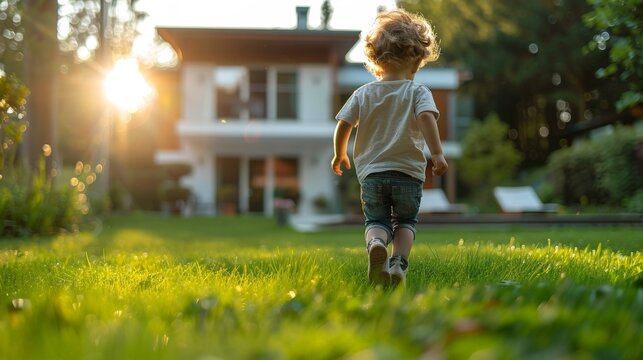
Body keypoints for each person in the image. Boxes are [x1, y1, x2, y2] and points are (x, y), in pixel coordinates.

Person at [331, 8, 448, 286]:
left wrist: (339, 153)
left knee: (377, 222)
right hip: (408, 173)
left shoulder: (363, 93)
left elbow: (344, 124)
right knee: (406, 222)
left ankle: (375, 246)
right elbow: (426, 119)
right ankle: (398, 264)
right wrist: (438, 154)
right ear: (417, 59)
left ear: (374, 58)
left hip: (372, 175)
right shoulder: (418, 91)